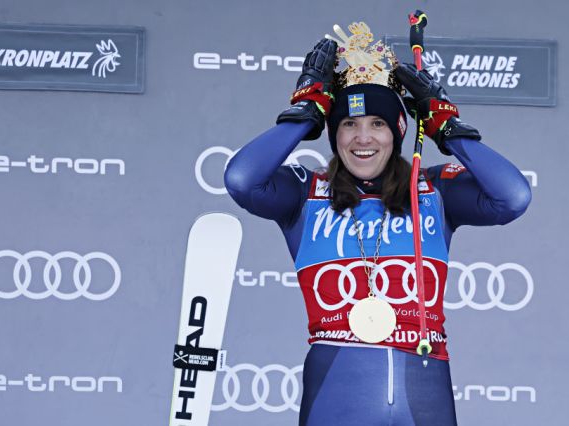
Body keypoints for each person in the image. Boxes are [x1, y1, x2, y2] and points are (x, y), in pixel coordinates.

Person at [224, 25, 531, 426]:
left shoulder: (434, 190)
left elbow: (513, 196)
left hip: (425, 395)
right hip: (336, 395)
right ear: (334, 133)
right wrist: (306, 112)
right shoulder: (303, 193)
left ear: (398, 132)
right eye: (348, 124)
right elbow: (241, 179)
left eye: (377, 124)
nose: (363, 138)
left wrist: (445, 125)